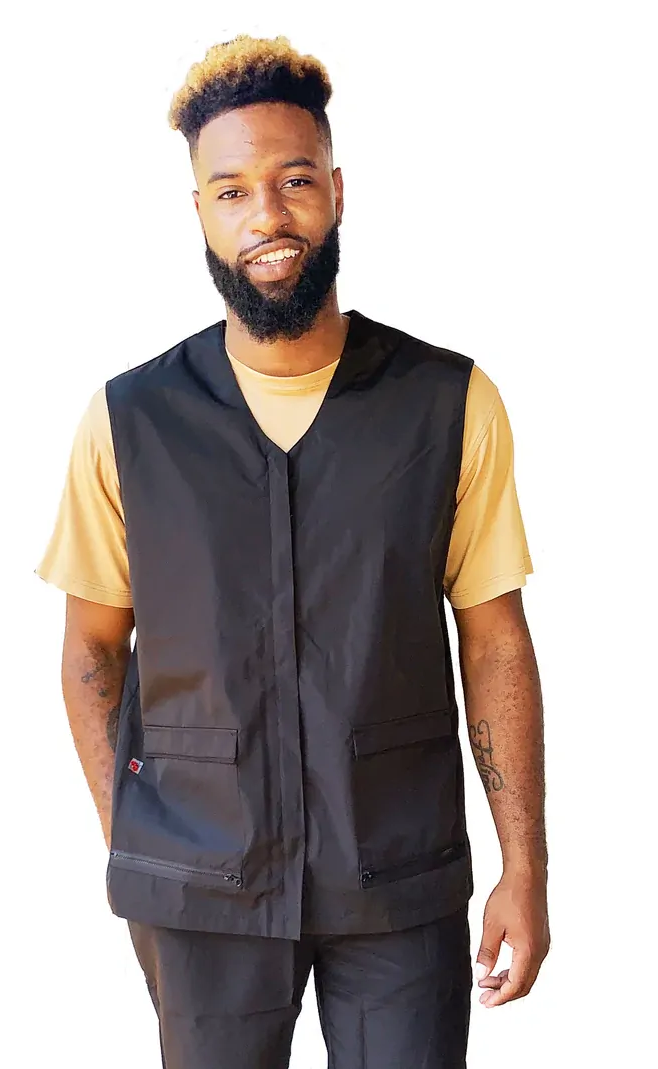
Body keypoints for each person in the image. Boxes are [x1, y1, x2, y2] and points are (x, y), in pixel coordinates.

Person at [35, 33, 550, 1069]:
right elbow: (90, 649)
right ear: (199, 212)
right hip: (200, 888)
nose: (266, 214)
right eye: (231, 192)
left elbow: (493, 638)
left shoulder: (448, 403)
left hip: (398, 877)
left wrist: (524, 866)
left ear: (336, 190)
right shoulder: (128, 421)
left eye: (294, 179)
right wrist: (137, 844)